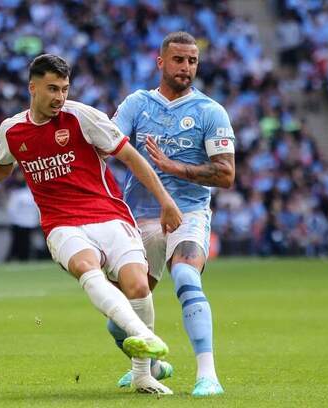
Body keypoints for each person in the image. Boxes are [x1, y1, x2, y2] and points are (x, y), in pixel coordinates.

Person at [0, 54, 182, 394]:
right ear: (33, 88)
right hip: (61, 223)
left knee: (138, 288)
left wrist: (165, 201)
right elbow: (1, 166)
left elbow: (130, 156)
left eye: (65, 89)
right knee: (88, 268)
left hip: (108, 214)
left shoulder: (82, 116)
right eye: (53, 89)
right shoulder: (13, 130)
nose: (60, 97)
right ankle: (143, 335)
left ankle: (144, 373)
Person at [111, 32, 235, 396]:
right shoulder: (137, 104)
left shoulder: (210, 111)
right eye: (179, 60)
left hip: (189, 213)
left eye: (192, 61)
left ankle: (207, 374)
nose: (186, 68)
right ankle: (150, 366)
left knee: (186, 276)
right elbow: (108, 146)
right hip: (138, 216)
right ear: (161, 62)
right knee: (118, 317)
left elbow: (226, 174)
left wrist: (174, 167)